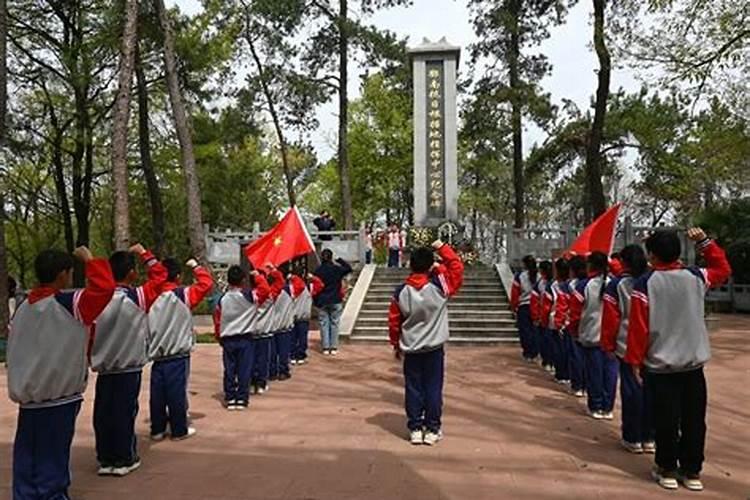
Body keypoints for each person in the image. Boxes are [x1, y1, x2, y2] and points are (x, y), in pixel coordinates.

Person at [625, 228, 731, 492]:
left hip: (660, 366)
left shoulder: (646, 284)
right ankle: (692, 471)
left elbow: (639, 328)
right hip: (693, 365)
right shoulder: (696, 277)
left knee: (666, 420)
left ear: (652, 255)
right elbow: (722, 268)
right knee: (695, 420)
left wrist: (634, 362)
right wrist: (705, 242)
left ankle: (667, 468)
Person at [7, 246, 115, 500]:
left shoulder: (24, 308)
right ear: (62, 275)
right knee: (53, 455)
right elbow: (104, 288)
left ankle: (25, 495)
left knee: (28, 454)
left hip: (28, 398)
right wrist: (90, 260)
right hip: (59, 396)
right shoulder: (68, 304)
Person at [90, 244, 167, 477]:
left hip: (104, 367)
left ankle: (106, 459)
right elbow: (160, 275)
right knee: (124, 412)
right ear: (131, 273)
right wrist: (145, 253)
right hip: (128, 366)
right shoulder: (137, 297)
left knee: (103, 414)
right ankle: (124, 458)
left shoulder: (96, 299)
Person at [388, 240, 464, 446]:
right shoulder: (440, 286)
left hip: (411, 348)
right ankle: (432, 428)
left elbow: (395, 321)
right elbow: (456, 266)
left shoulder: (401, 291)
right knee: (433, 388)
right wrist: (442, 249)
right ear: (430, 265)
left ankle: (415, 428)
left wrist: (396, 344)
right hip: (434, 348)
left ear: (411, 265)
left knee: (413, 388)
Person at [148, 257, 213, 441]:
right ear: (177, 276)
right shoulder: (182, 295)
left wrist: (148, 258)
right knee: (176, 392)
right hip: (177, 353)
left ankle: (157, 428)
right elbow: (206, 284)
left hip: (157, 355)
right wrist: (196, 267)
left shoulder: (150, 295)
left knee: (157, 394)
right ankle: (178, 429)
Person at [601, 244, 655, 455]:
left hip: (627, 344)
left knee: (632, 392)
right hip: (654, 344)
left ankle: (632, 437)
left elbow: (611, 319)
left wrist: (608, 344)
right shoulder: (653, 280)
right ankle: (650, 436)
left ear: (623, 262)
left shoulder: (618, 285)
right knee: (652, 392)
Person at [213, 266, 270, 411]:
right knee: (244, 369)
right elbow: (265, 290)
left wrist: (219, 336)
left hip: (228, 339)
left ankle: (230, 396)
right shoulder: (249, 296)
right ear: (243, 280)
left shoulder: (222, 299)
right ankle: (242, 398)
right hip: (245, 338)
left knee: (229, 369)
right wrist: (258, 276)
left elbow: (218, 319)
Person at [570, 251, 617, 420]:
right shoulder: (616, 283)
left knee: (594, 373)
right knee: (610, 373)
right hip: (612, 338)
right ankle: (608, 407)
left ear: (590, 265)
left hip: (591, 335)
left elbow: (575, 313)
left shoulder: (584, 286)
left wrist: (574, 331)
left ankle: (596, 406)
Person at [313, 249, 352, 355]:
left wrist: (315, 301)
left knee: (324, 324)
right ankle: (334, 347)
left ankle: (325, 347)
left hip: (322, 300)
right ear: (331, 257)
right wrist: (339, 260)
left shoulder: (318, 271)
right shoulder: (336, 269)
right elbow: (349, 268)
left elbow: (315, 286)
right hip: (335, 299)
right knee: (335, 323)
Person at [289, 266, 324, 365]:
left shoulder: (291, 288)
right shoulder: (308, 287)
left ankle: (292, 355)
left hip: (292, 316)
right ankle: (301, 356)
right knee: (302, 338)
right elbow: (320, 285)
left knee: (293, 337)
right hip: (304, 316)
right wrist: (312, 277)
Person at [267, 263, 294, 381]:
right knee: (284, 351)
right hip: (284, 326)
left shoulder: (268, 294)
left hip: (272, 326)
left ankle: (272, 372)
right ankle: (283, 371)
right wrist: (275, 271)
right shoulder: (288, 291)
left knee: (272, 352)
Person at [565, 255, 588, 397]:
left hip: (578, 324)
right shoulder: (594, 283)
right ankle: (585, 385)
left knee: (577, 356)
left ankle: (578, 385)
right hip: (593, 326)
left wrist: (571, 325)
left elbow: (574, 308)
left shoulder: (574, 285)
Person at [547, 258, 571, 385]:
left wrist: (558, 321)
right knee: (566, 349)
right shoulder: (572, 284)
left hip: (559, 319)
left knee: (559, 349)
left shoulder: (556, 286)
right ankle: (566, 373)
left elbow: (557, 304)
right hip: (568, 320)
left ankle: (562, 373)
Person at [511, 255, 539, 362]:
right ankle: (536, 351)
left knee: (525, 330)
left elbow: (515, 293)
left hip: (524, 305)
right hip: (537, 305)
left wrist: (514, 306)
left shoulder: (520, 276)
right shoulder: (539, 275)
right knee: (535, 329)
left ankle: (528, 352)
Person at [534, 260, 554, 373]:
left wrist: (539, 316)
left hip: (547, 315)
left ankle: (548, 361)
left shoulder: (546, 284)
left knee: (546, 341)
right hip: (550, 315)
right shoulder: (545, 283)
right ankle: (549, 361)